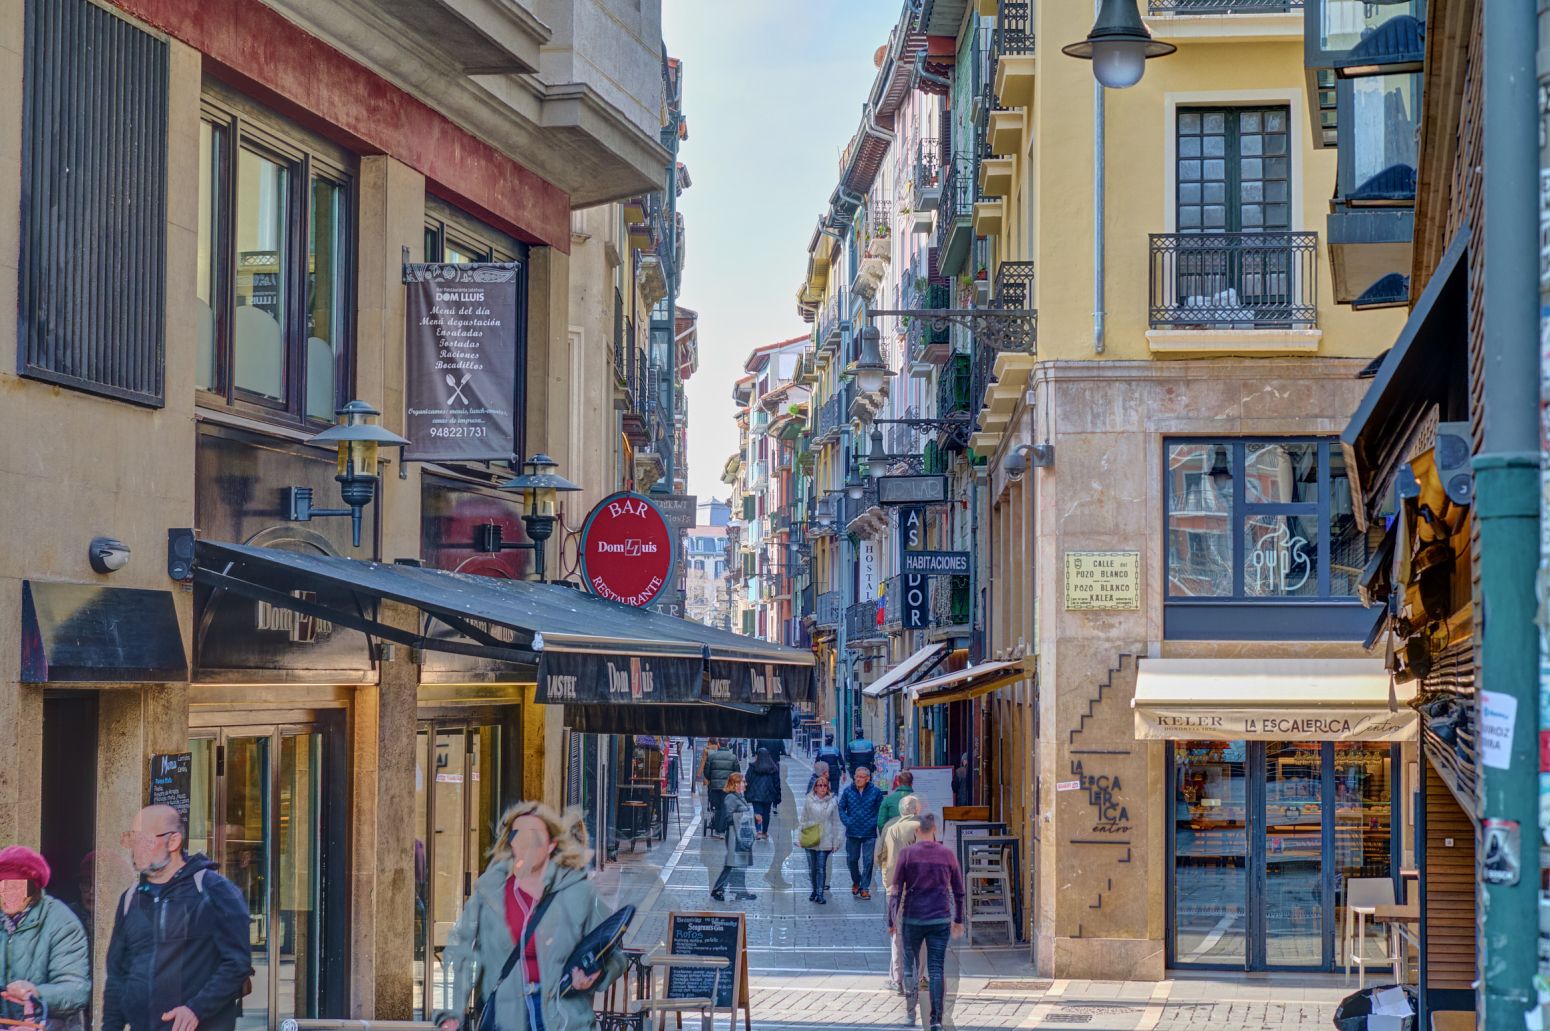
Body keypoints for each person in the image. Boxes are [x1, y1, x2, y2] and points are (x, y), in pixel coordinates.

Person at [441, 801, 627, 1031]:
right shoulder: (489, 895)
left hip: (561, 1018)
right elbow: (464, 954)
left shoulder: (579, 893)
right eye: (519, 838)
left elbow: (615, 954)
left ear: (551, 846)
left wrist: (597, 974)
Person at [103, 805, 252, 1031]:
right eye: (133, 840)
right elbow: (116, 977)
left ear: (174, 842)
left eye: (145, 840)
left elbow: (237, 964)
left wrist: (196, 1009)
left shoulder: (213, 890)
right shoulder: (130, 898)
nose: (136, 849)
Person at [888, 813, 965, 1031]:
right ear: (935, 830)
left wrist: (891, 919)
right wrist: (958, 918)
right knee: (936, 969)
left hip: (912, 917)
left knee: (910, 967)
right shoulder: (947, 854)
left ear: (916, 831)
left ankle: (911, 1012)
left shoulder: (907, 854)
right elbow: (959, 891)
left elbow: (896, 890)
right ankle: (936, 1019)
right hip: (939, 917)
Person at [0, 846, 89, 1031]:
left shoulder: (62, 922)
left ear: (34, 890)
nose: (8, 895)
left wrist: (36, 994)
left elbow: (76, 990)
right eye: (3, 887)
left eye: (17, 887)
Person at [875, 796, 924, 994]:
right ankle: (921, 977)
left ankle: (897, 978)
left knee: (896, 932)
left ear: (902, 811)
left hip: (896, 886)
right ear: (916, 810)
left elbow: (880, 855)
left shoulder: (891, 828)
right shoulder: (924, 827)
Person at [836, 767, 884, 900]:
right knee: (852, 860)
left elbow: (881, 810)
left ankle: (864, 887)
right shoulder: (848, 791)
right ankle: (856, 881)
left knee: (868, 861)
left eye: (861, 777)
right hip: (852, 832)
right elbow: (841, 807)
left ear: (868, 778)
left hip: (869, 833)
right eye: (856, 776)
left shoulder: (876, 792)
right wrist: (847, 821)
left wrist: (873, 823)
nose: (858, 779)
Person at [711, 773, 758, 902]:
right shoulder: (730, 798)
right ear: (736, 784)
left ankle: (740, 891)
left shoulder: (739, 796)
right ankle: (718, 889)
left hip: (741, 832)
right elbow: (729, 817)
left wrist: (752, 817)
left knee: (741, 864)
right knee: (731, 864)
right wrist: (744, 815)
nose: (745, 784)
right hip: (734, 834)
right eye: (743, 782)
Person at [798, 778, 843, 904]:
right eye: (820, 785)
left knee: (821, 868)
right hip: (812, 837)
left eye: (825, 785)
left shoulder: (833, 802)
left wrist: (836, 842)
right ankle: (814, 890)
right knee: (813, 868)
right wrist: (801, 837)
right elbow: (803, 818)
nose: (822, 787)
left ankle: (820, 893)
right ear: (815, 787)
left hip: (826, 838)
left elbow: (835, 822)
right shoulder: (809, 800)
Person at [700, 739, 740, 837]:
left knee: (717, 807)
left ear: (718, 744)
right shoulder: (733, 757)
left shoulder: (712, 756)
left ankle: (718, 828)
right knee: (724, 807)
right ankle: (720, 830)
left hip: (714, 788)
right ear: (728, 744)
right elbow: (737, 773)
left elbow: (706, 772)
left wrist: (712, 779)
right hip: (727, 788)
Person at [743, 748, 783, 839]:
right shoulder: (773, 768)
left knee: (757, 813)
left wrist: (746, 792)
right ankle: (764, 832)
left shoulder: (753, 767)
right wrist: (777, 796)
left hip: (755, 794)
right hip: (769, 795)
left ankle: (758, 831)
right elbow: (777, 783)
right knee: (766, 813)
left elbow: (747, 780)